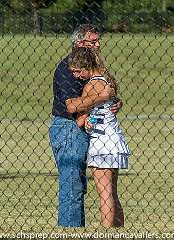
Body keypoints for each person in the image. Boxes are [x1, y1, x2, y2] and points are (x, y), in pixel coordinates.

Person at [49, 24, 122, 227]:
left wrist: (114, 102)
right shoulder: (68, 69)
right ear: (79, 43)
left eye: (98, 41)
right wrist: (103, 97)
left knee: (83, 185)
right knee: (72, 183)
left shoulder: (94, 68)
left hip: (88, 128)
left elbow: (102, 96)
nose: (98, 45)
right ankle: (71, 229)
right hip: (68, 128)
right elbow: (71, 106)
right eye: (93, 41)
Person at [68, 47, 131, 228]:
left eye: (78, 71)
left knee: (104, 193)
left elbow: (80, 119)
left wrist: (84, 118)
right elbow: (104, 109)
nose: (76, 76)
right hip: (115, 139)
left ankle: (106, 231)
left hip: (101, 141)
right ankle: (118, 230)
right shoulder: (107, 80)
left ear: (87, 66)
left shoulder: (90, 86)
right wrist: (91, 117)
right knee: (112, 192)